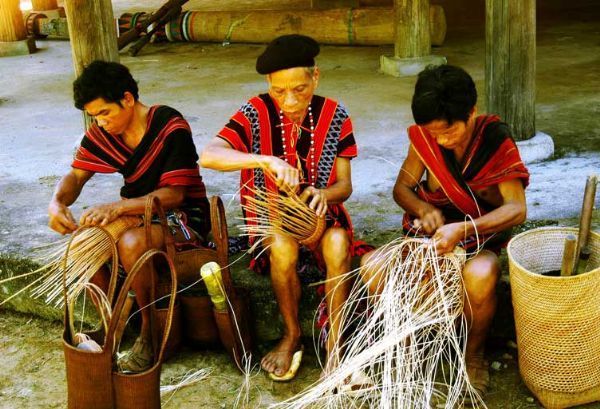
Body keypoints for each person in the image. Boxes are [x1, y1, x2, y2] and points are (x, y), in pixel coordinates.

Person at [361, 64, 529, 398]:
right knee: (372, 265)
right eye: (434, 133)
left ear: (472, 112)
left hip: (479, 239)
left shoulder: (495, 139)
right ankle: (407, 347)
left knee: (481, 274)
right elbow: (402, 189)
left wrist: (463, 228)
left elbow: (516, 209)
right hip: (429, 240)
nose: (440, 140)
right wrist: (424, 210)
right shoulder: (425, 136)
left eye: (449, 132)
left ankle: (473, 355)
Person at [201, 34, 359, 380]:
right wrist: (264, 160)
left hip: (321, 218)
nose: (289, 100)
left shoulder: (336, 115)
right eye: (278, 91)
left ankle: (336, 344)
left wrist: (325, 194)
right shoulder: (256, 111)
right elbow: (209, 155)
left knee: (337, 244)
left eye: (300, 89)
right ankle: (292, 334)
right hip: (272, 221)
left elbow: (345, 186)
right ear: (269, 86)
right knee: (283, 249)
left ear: (315, 77)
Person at [48, 60, 210, 372]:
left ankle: (150, 331)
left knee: (132, 243)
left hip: (182, 218)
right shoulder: (105, 132)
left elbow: (175, 194)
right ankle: (114, 322)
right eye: (94, 116)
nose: (101, 123)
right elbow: (77, 176)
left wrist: (118, 207)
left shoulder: (169, 126)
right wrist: (56, 202)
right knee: (82, 243)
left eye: (105, 113)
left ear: (127, 99)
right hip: (136, 213)